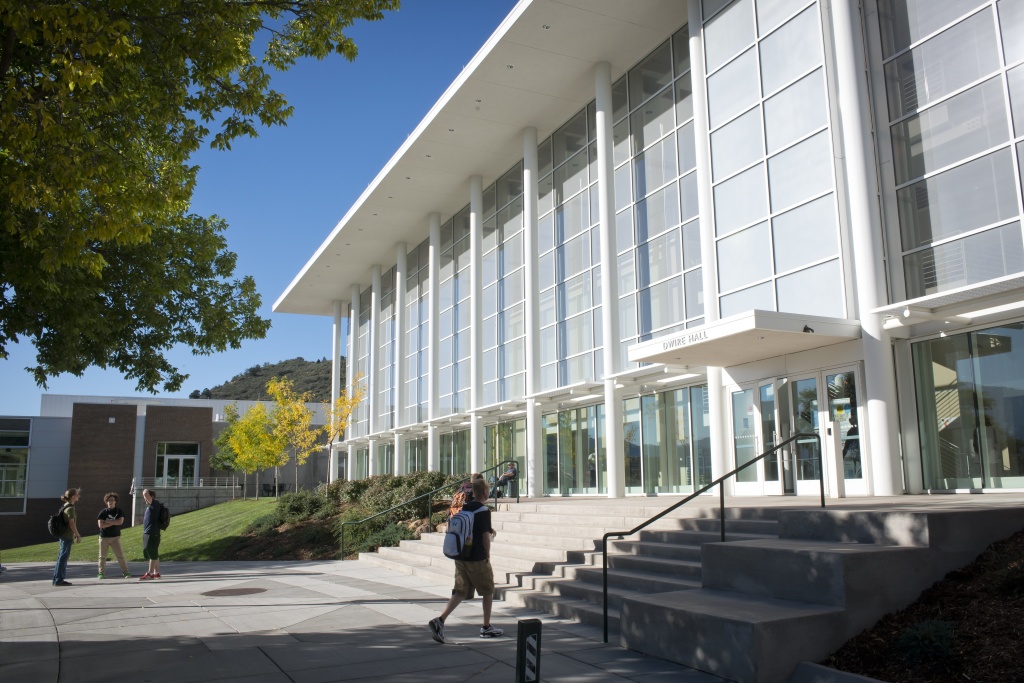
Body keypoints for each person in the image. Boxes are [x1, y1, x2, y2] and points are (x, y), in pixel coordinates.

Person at [428, 477, 503, 643]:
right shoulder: (483, 510)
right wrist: (487, 555)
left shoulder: (465, 508)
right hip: (477, 557)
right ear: (485, 492)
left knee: (461, 591)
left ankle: (440, 620)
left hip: (462, 555)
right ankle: (486, 627)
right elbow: (484, 537)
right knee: (487, 591)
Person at [97, 492, 131, 579]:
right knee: (102, 556)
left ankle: (126, 572)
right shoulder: (103, 512)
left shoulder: (119, 511)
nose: (110, 502)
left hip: (115, 537)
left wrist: (107, 521)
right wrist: (114, 522)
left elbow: (120, 522)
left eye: (112, 500)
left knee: (120, 555)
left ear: (115, 501)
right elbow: (100, 525)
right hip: (103, 537)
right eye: (108, 500)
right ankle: (101, 573)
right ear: (106, 502)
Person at [52, 488, 82, 586]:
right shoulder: (70, 508)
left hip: (63, 535)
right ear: (72, 496)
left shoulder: (65, 506)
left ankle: (56, 579)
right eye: (77, 494)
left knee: (61, 557)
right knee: (63, 558)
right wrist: (77, 535)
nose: (78, 496)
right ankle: (59, 580)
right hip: (67, 536)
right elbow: (71, 523)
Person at [139, 488, 163, 580]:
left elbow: (145, 493)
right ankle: (156, 573)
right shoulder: (152, 506)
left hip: (152, 533)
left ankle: (149, 573)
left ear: (151, 497)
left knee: (152, 553)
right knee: (152, 553)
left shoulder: (155, 504)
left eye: (146, 497)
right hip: (149, 533)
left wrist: (145, 490)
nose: (145, 499)